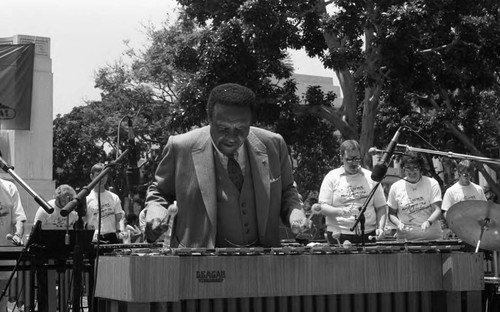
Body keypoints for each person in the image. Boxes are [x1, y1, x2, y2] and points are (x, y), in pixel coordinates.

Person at [144, 83, 308, 247]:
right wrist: (156, 212)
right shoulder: (180, 147)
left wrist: (296, 215)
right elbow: (159, 191)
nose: (231, 137)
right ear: (209, 120)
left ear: (251, 122)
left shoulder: (274, 144)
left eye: (241, 129)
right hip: (200, 263)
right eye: (223, 128)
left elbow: (287, 191)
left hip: (262, 263)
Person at [312, 140, 387, 245]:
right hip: (338, 234)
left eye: (357, 159)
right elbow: (322, 207)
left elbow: (381, 207)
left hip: (367, 233)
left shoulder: (371, 177)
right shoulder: (331, 177)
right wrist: (341, 211)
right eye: (349, 159)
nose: (354, 163)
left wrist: (381, 228)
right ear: (341, 157)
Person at [387, 152, 443, 241]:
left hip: (431, 238)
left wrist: (429, 222)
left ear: (420, 168)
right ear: (403, 169)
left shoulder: (432, 183)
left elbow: (437, 210)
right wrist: (398, 224)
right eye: (408, 168)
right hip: (405, 239)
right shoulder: (395, 187)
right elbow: (391, 213)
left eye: (415, 167)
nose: (412, 171)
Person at [0, 178, 26, 312]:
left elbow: (19, 217)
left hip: (4, 254)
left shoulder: (9, 187)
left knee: (1, 299)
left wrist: (18, 234)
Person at [85, 163, 125, 244]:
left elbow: (119, 218)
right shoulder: (86, 198)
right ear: (91, 176)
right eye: (98, 175)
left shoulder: (114, 197)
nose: (101, 179)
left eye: (104, 176)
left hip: (111, 236)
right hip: (94, 237)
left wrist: (121, 232)